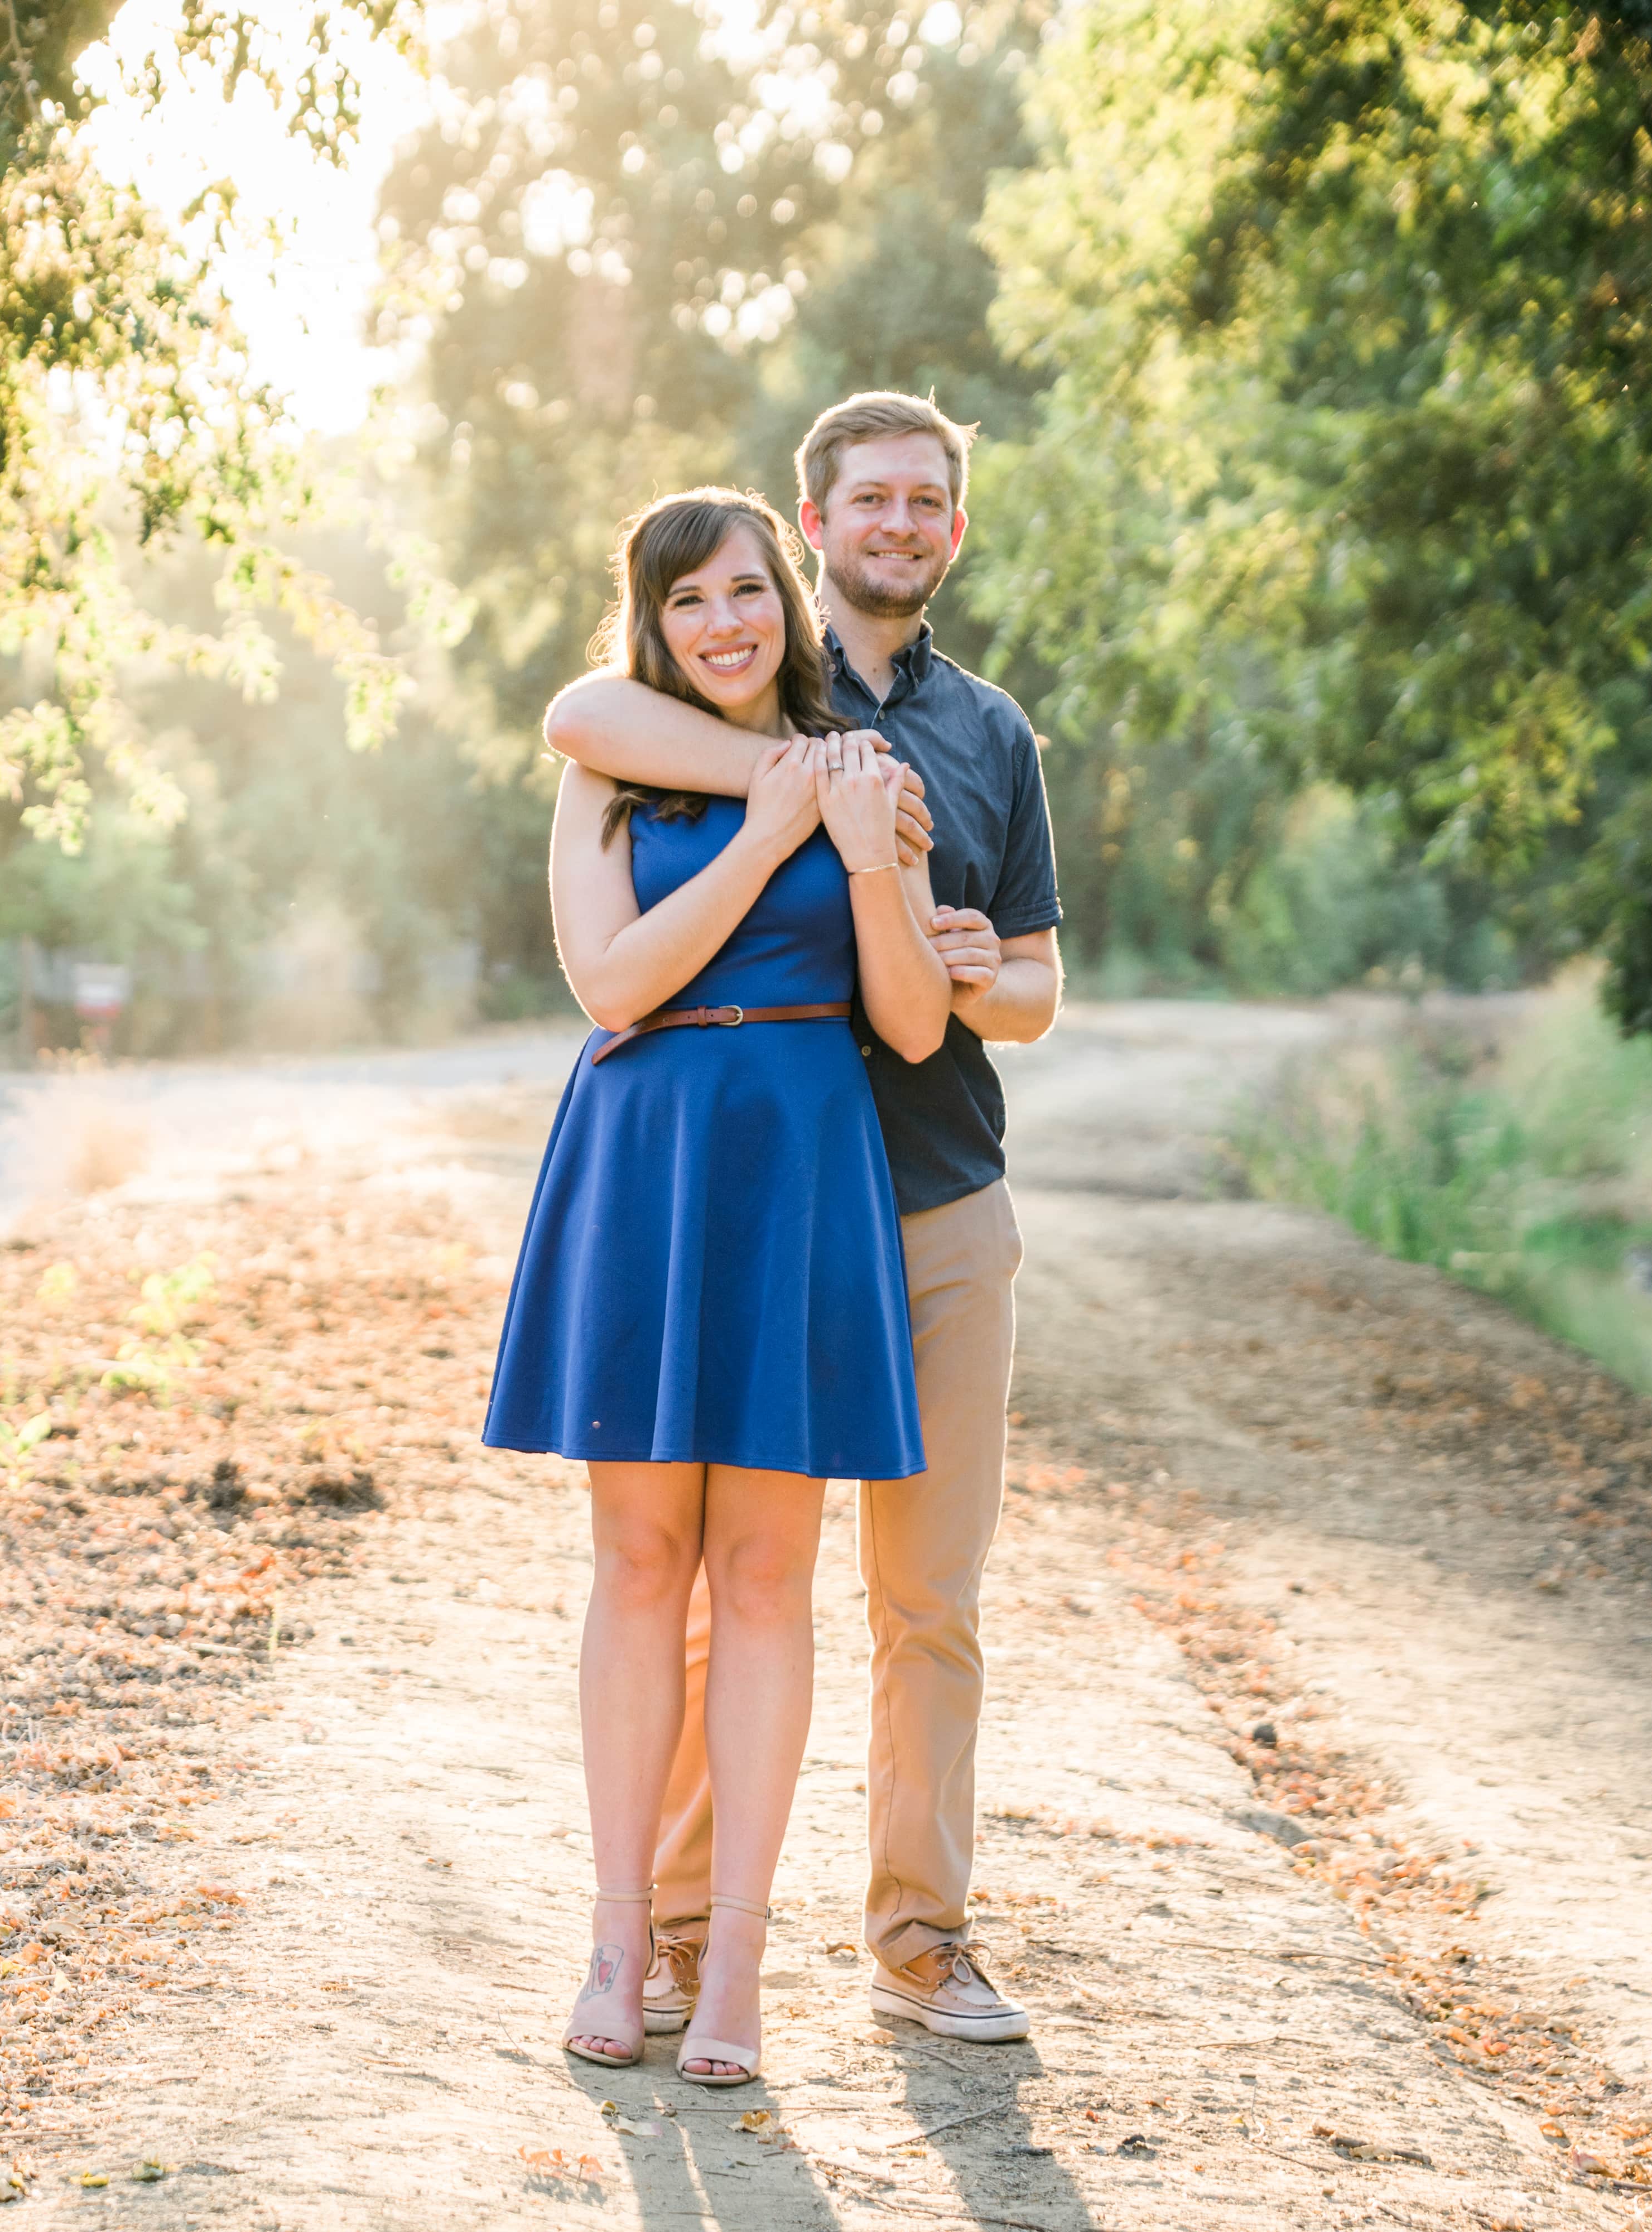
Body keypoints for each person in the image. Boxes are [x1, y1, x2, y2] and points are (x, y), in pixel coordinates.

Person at [540, 391, 1065, 2047]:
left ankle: (915, 1941)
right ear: (813, 524)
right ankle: (671, 1937)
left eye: (931, 500)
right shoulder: (716, 728)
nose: (901, 523)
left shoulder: (973, 737)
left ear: (953, 529)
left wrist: (972, 957)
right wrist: (804, 791)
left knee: (904, 1595)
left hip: (908, 1192)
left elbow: (991, 996)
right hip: (710, 1192)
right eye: (871, 501)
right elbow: (581, 726)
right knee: (680, 1578)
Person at [483, 485, 956, 2084]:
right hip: (648, 1155)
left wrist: (866, 858)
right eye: (689, 603)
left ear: (791, 601)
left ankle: (739, 1962)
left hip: (801, 1161)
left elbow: (903, 1025)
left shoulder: (864, 774)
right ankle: (620, 1940)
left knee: (763, 1577)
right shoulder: (606, 773)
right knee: (635, 1563)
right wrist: (770, 831)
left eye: (748, 592)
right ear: (653, 622)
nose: (725, 625)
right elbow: (610, 983)